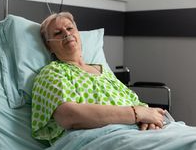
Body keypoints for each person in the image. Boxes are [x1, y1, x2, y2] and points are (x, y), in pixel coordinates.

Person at [31, 12, 196, 149]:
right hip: (101, 137)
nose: (67, 34)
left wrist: (152, 120)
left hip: (144, 132)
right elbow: (69, 116)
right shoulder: (52, 72)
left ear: (78, 34)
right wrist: (136, 114)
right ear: (49, 46)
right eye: (58, 33)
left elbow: (140, 107)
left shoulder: (104, 73)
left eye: (69, 28)